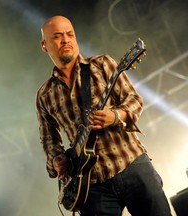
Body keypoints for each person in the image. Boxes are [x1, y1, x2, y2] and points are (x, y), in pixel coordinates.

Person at [35, 15, 171, 216]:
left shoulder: (102, 64)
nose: (65, 40)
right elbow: (49, 140)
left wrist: (115, 116)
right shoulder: (45, 95)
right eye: (57, 36)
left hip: (131, 165)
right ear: (44, 45)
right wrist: (56, 159)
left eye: (70, 34)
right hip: (91, 187)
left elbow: (134, 100)